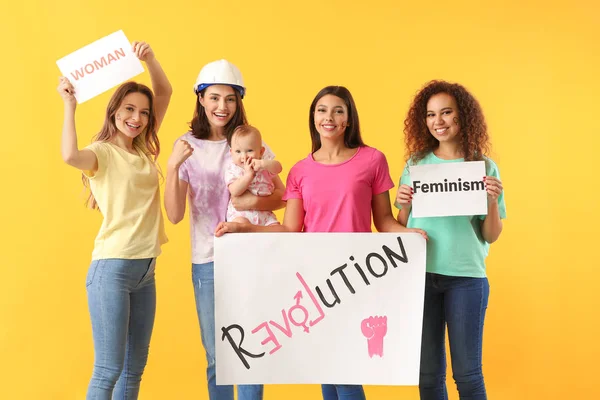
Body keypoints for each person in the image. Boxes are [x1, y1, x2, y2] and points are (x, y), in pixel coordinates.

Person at [215, 85, 427, 400]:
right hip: (315, 282)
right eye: (322, 110)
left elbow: (383, 220)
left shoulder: (372, 160)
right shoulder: (300, 171)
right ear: (313, 117)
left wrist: (409, 234)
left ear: (349, 119)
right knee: (325, 366)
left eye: (338, 110)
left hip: (356, 277)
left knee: (344, 366)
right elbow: (289, 230)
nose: (329, 117)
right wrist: (241, 229)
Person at [57, 41, 172, 399]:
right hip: (113, 268)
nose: (136, 118)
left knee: (134, 370)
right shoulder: (102, 154)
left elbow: (164, 91)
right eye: (128, 109)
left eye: (143, 112)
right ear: (113, 112)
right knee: (108, 368)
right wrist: (69, 106)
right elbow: (69, 156)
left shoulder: (142, 148)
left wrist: (149, 59)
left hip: (146, 270)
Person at [164, 59, 284, 400]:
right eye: (215, 97)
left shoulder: (251, 141)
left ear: (239, 102)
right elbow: (173, 214)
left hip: (251, 254)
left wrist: (249, 206)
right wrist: (173, 166)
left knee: (250, 350)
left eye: (230, 99)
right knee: (217, 355)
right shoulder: (187, 146)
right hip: (208, 259)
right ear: (201, 99)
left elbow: (282, 196)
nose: (222, 106)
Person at [395, 80, 506, 400]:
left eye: (446, 113)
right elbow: (402, 228)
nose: (438, 121)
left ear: (463, 117)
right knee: (428, 376)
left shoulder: (483, 166)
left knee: (467, 374)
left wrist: (489, 201)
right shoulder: (416, 165)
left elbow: (491, 235)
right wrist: (404, 204)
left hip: (466, 278)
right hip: (421, 276)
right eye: (431, 115)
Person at [225, 124, 282, 226]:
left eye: (249, 151)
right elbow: (234, 191)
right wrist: (248, 176)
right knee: (241, 224)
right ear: (231, 152)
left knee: (275, 228)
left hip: (265, 214)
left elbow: (279, 168)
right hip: (242, 214)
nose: (244, 156)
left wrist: (264, 163)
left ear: (261, 151)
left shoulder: (263, 166)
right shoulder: (233, 169)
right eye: (238, 151)